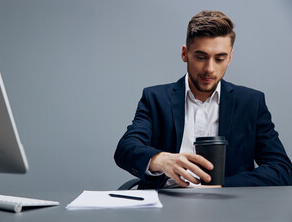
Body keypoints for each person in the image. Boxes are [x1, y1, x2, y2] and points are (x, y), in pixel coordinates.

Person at [114, 10, 292, 189]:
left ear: (230, 58)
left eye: (220, 58)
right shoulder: (155, 98)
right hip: (164, 206)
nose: (210, 69)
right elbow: (126, 148)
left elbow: (282, 169)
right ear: (185, 54)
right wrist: (160, 159)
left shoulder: (251, 103)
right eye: (201, 57)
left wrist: (223, 186)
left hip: (228, 209)